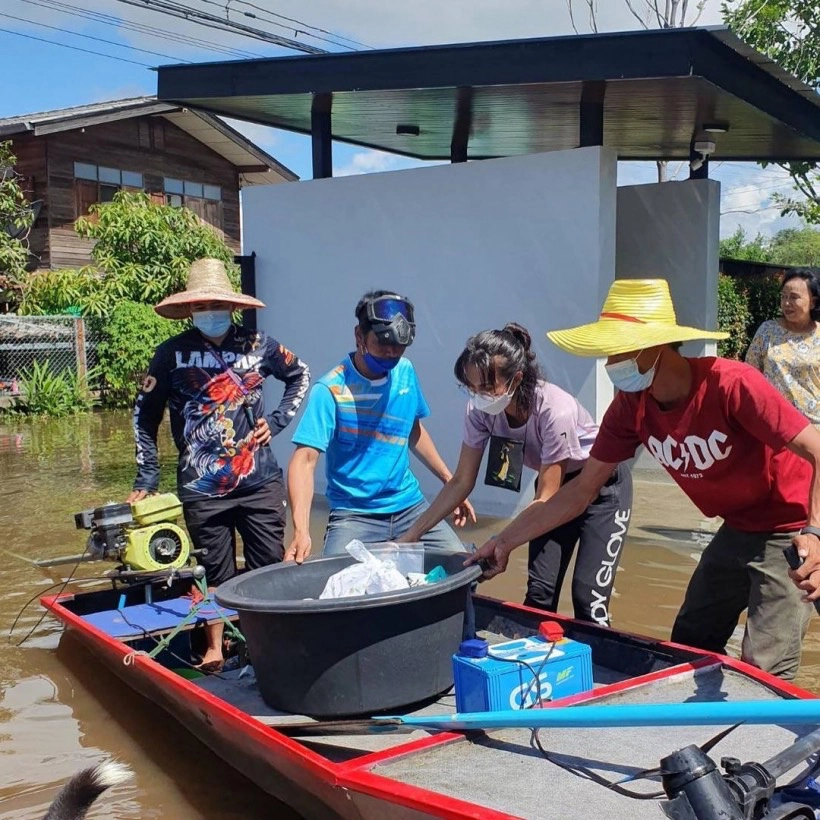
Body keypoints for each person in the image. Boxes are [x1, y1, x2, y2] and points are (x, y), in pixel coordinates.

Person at [468, 278, 820, 681]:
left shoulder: (732, 385)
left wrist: (815, 532)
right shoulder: (630, 407)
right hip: (737, 526)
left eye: (617, 350)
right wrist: (504, 541)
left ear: (653, 346)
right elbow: (579, 492)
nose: (609, 364)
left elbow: (817, 450)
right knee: (690, 640)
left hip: (790, 524)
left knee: (765, 667)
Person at [128, 258, 310, 672]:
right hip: (201, 486)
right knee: (211, 569)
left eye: (216, 304)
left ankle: (270, 642)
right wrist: (147, 476)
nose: (210, 312)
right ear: (191, 310)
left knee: (270, 566)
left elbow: (300, 374)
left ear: (231, 306)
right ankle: (214, 645)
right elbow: (144, 415)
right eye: (201, 306)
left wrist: (277, 421)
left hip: (260, 481)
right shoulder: (170, 355)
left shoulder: (259, 345)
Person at [400, 323, 633, 625]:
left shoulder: (554, 410)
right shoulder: (480, 412)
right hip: (554, 487)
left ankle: (602, 667)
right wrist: (411, 536)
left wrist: (502, 541)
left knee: (589, 599)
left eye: (486, 388)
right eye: (470, 387)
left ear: (516, 379)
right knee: (539, 594)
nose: (478, 396)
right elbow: (461, 481)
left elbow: (546, 500)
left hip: (602, 488)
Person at [285, 289, 474, 562]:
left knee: (461, 567)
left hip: (410, 506)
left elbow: (412, 431)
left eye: (399, 346)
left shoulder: (405, 372)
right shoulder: (330, 389)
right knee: (336, 588)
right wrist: (301, 530)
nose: (391, 353)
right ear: (359, 336)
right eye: (383, 343)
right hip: (354, 513)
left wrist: (449, 483)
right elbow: (304, 459)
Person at [746, 268, 820, 425]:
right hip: (774, 425)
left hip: (814, 428)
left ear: (813, 302)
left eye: (794, 297)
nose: (787, 303)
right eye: (783, 296)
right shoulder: (767, 330)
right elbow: (750, 375)